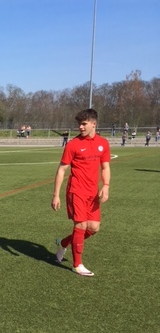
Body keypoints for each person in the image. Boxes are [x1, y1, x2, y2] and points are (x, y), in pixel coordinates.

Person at [51, 108, 111, 277]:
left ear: (94, 124)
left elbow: (105, 167)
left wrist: (106, 186)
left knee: (94, 228)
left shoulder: (103, 143)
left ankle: (63, 243)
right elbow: (61, 170)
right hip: (76, 190)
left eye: (84, 124)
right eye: (79, 124)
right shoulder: (73, 144)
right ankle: (77, 265)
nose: (80, 127)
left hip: (93, 193)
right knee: (81, 225)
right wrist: (56, 195)